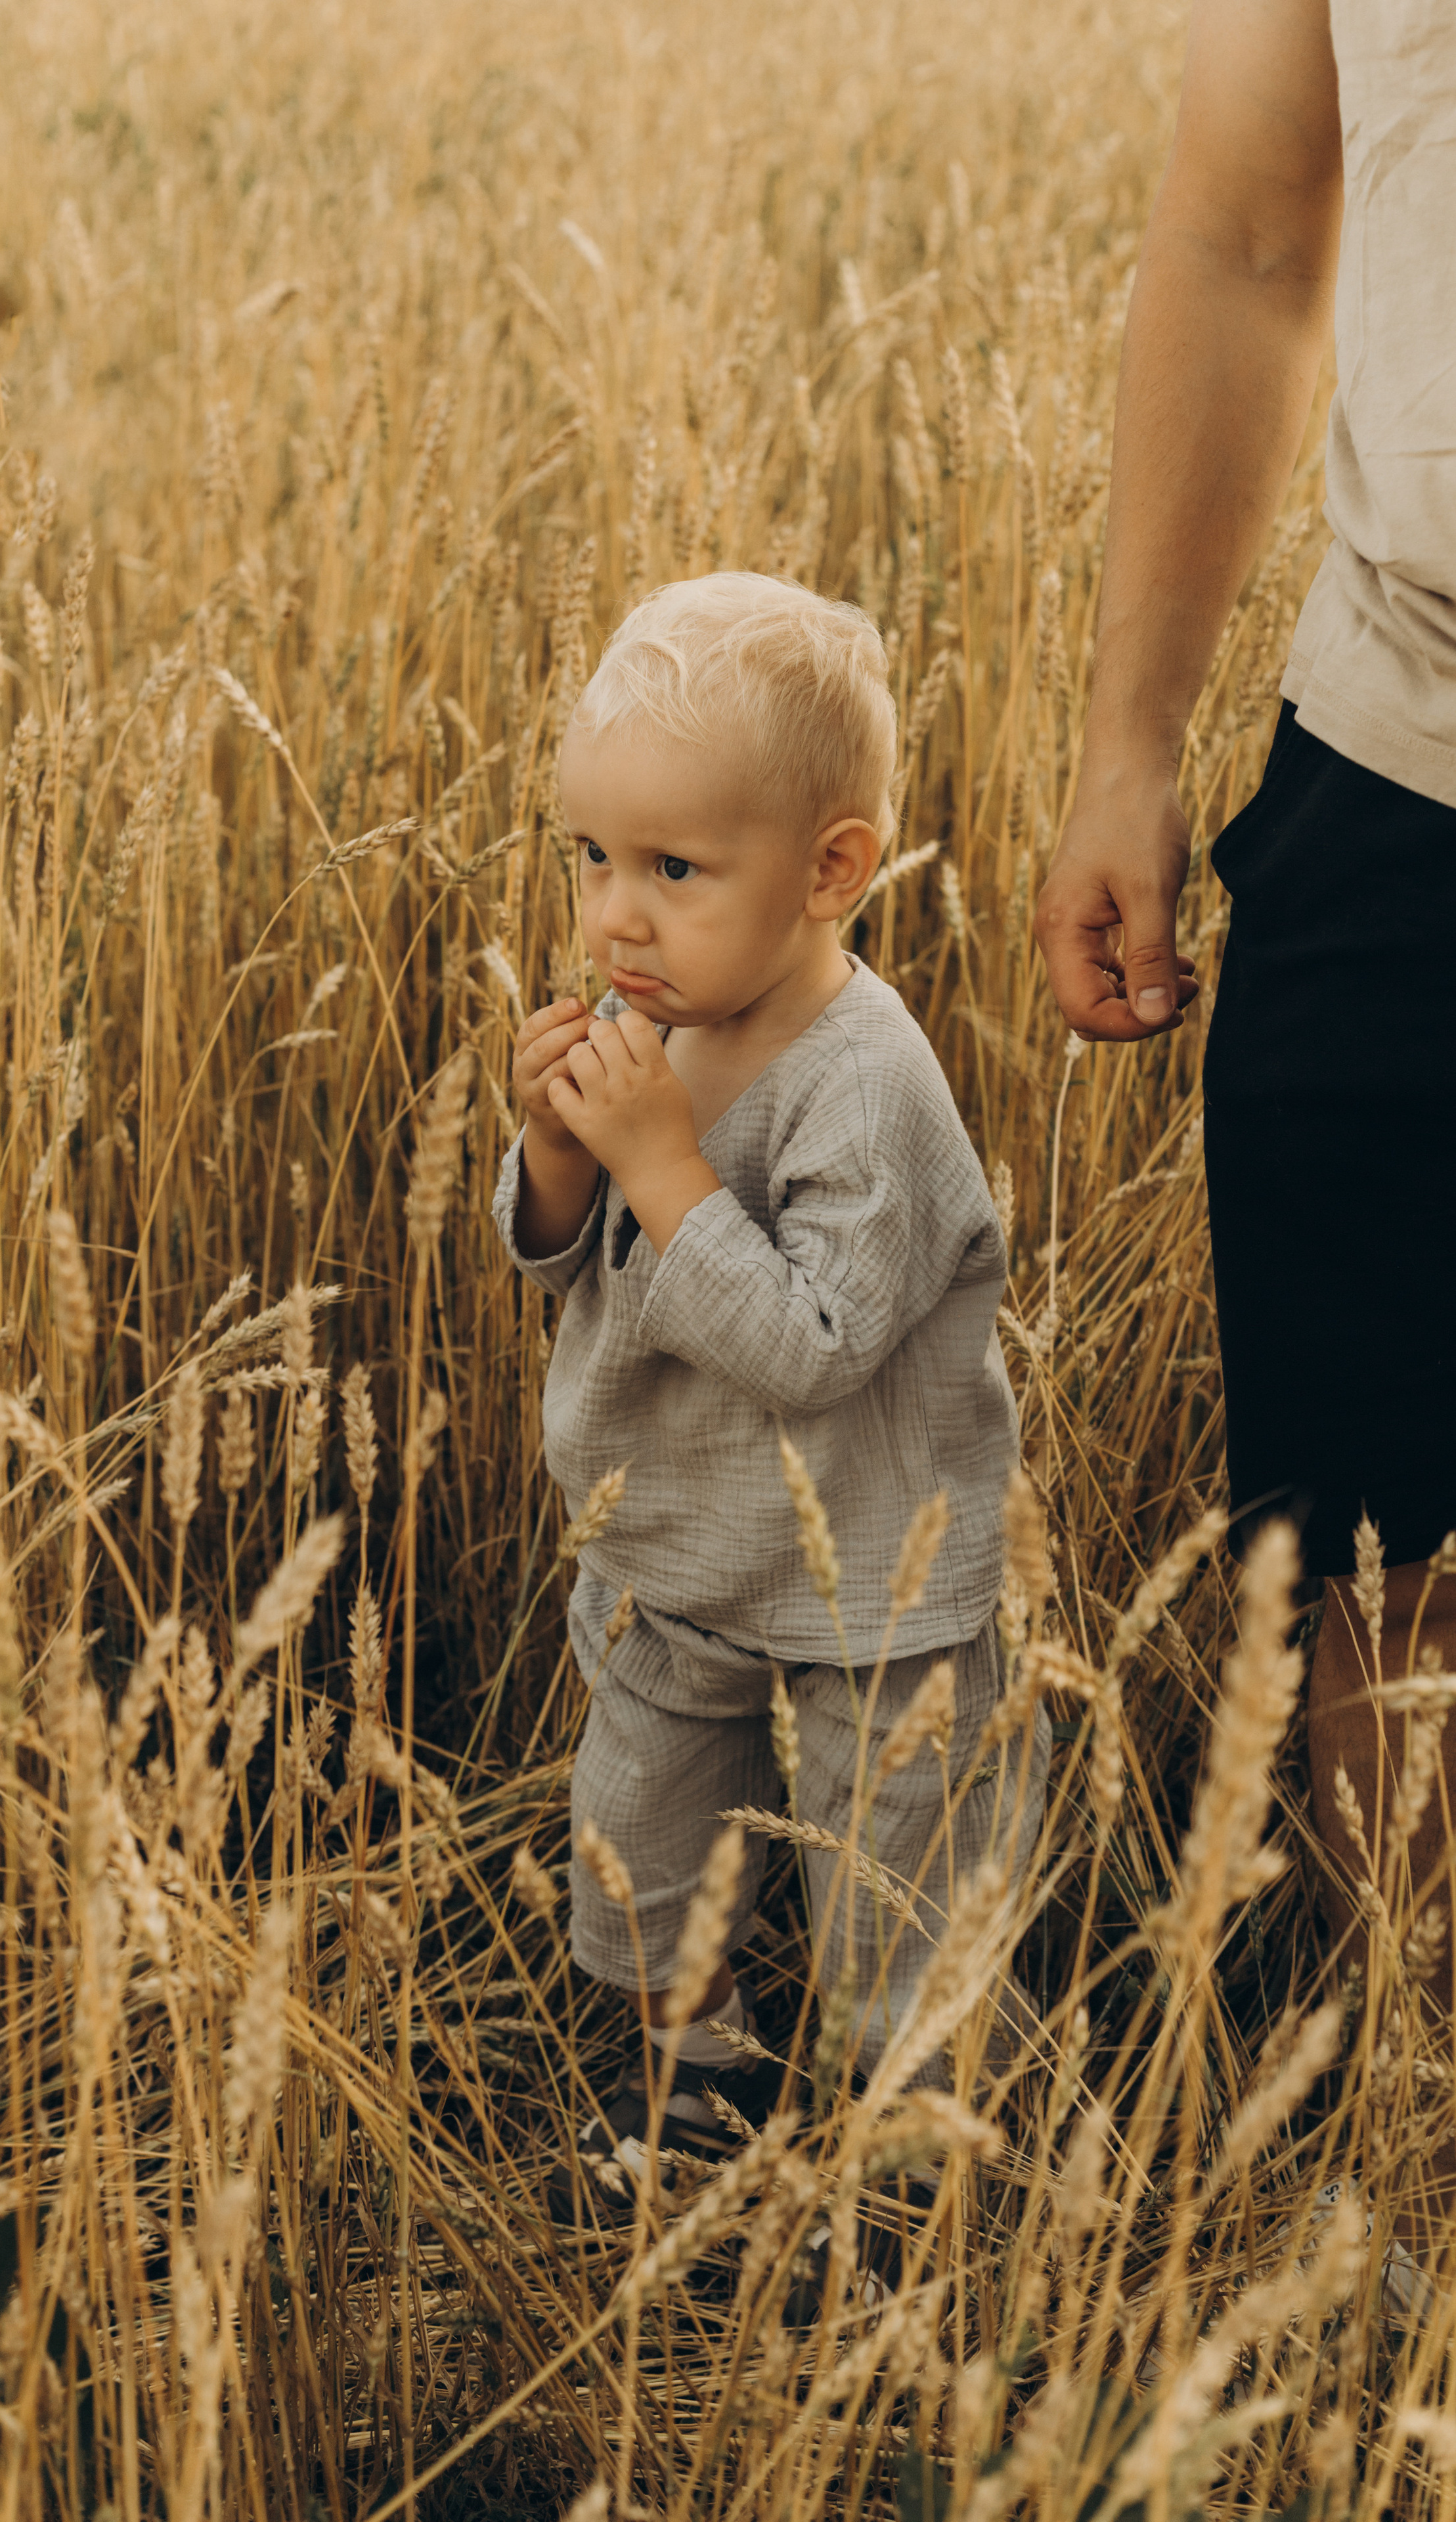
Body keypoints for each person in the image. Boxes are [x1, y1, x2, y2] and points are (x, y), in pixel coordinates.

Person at [492, 572, 1049, 2297]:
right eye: (589, 856)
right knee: (645, 1850)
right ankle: (705, 2095)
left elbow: (815, 1347)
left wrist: (662, 1169)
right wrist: (572, 1166)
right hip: (675, 1561)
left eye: (672, 868)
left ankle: (922, 2180)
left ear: (832, 868)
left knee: (903, 1897)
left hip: (874, 1591)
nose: (615, 918)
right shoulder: (652, 1032)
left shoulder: (866, 1087)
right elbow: (566, 1261)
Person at [1034, 0, 1456, 2268]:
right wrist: (1132, 735)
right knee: (1391, 1555)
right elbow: (1245, 218)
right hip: (1402, 765)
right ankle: (1406, 2203)